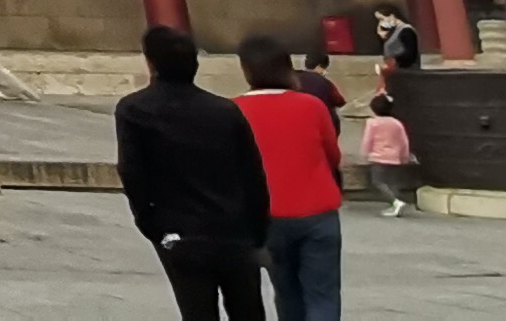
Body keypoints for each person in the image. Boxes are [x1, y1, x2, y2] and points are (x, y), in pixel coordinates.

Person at [116, 25, 271, 320]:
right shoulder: (225, 111)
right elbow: (252, 173)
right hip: (235, 230)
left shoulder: (134, 110)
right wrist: (257, 230)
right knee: (248, 310)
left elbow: (133, 173)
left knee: (197, 311)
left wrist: (152, 225)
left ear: (151, 63)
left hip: (180, 231)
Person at [232, 36, 343, 321]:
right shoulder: (312, 106)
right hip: (318, 210)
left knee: (286, 292)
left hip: (266, 214)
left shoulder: (234, 110)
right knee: (323, 295)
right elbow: (332, 154)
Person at [359, 95, 416, 217]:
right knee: (392, 183)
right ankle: (396, 205)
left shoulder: (372, 123)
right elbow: (404, 141)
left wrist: (365, 153)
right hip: (394, 157)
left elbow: (368, 139)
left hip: (378, 157)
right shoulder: (397, 123)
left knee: (378, 182)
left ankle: (395, 202)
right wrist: (404, 156)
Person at [370, 4, 418, 92]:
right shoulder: (393, 31)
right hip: (394, 72)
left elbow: (411, 53)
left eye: (382, 19)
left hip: (405, 71)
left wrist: (394, 60)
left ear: (392, 16)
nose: (381, 23)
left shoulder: (406, 31)